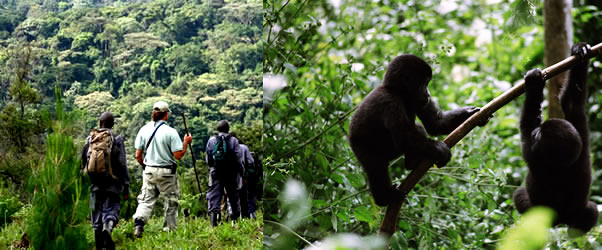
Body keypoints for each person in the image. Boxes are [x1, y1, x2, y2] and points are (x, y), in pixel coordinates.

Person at [132, 101, 192, 238]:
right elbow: (178, 155)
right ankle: (169, 231)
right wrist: (186, 143)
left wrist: (145, 166)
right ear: (166, 115)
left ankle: (139, 223)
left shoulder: (144, 129)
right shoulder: (171, 132)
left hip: (148, 170)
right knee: (171, 202)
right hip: (166, 172)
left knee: (146, 200)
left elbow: (138, 155)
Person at [81, 112, 130, 250]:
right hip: (112, 185)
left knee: (96, 219)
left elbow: (83, 163)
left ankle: (99, 246)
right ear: (112, 124)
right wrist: (126, 186)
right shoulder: (116, 139)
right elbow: (122, 164)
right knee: (111, 211)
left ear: (99, 122)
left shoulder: (90, 139)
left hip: (94, 185)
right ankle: (107, 229)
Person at [205, 120, 244, 226]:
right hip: (231, 173)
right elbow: (238, 159)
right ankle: (235, 222)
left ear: (217, 129)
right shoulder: (234, 141)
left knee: (214, 196)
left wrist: (212, 168)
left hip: (216, 172)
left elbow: (208, 158)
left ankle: (213, 223)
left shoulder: (212, 140)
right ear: (228, 129)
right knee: (233, 196)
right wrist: (240, 172)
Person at [229, 132, 254, 218]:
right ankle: (245, 217)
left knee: (231, 199)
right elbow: (251, 162)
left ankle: (233, 219)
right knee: (243, 198)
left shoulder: (226, 149)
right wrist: (247, 175)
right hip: (242, 177)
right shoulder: (243, 148)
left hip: (229, 178)